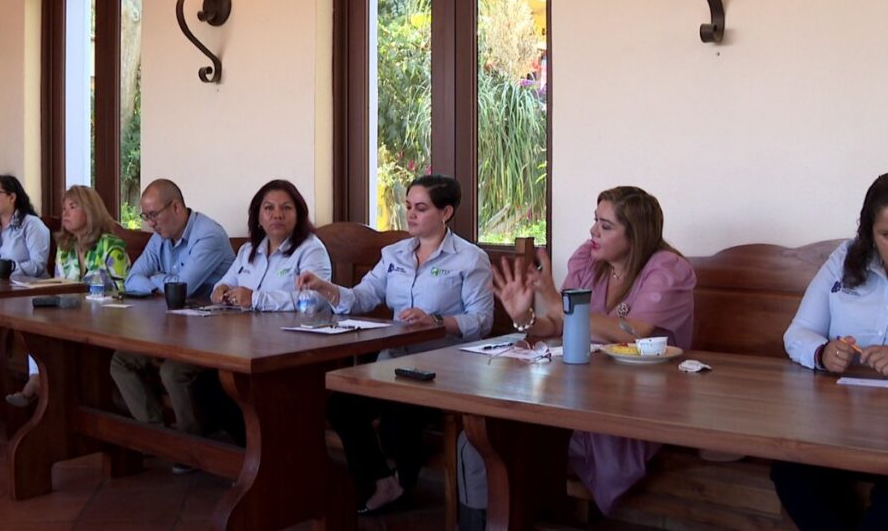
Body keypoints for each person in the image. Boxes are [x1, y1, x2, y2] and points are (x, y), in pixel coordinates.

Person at [467, 186, 695, 526]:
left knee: (533, 434)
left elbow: (632, 331)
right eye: (594, 221)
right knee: (502, 425)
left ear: (635, 234)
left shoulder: (667, 268)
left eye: (605, 226)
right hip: (583, 386)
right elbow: (557, 323)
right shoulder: (589, 261)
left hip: (644, 399)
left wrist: (561, 304)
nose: (593, 232)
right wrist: (524, 316)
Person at [296, 174, 494, 515]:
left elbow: (482, 320)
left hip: (442, 367)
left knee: (397, 418)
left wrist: (439, 321)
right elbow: (361, 297)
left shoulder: (469, 259)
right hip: (391, 362)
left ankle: (403, 484)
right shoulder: (394, 254)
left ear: (445, 212)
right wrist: (324, 287)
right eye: (408, 207)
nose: (411, 215)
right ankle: (381, 481)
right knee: (341, 406)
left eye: (421, 208)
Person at [773, 171, 888, 530]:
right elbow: (798, 332)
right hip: (841, 423)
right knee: (792, 472)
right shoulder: (845, 258)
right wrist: (822, 352)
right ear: (870, 234)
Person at [109, 179, 235, 474]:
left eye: (153, 215)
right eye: (146, 216)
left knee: (172, 371)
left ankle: (190, 447)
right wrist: (163, 282)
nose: (150, 223)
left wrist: (160, 282)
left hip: (214, 328)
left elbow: (183, 287)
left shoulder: (208, 235)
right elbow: (132, 279)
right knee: (121, 361)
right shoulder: (161, 236)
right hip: (169, 325)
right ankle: (156, 436)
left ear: (176, 207)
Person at [6, 185, 130, 407]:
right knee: (36, 327)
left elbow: (123, 291)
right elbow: (59, 284)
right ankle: (38, 384)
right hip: (71, 315)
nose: (65, 213)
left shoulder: (111, 246)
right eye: (64, 208)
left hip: (106, 320)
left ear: (90, 211)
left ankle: (48, 394)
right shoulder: (65, 247)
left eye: (72, 207)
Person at [210, 179, 331, 310]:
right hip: (248, 327)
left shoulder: (312, 249)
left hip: (295, 328)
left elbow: (314, 300)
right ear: (258, 217)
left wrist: (255, 299)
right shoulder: (247, 251)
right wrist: (220, 291)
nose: (278, 215)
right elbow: (226, 283)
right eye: (269, 208)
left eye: (286, 208)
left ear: (298, 215)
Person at [0, 174, 50, 277]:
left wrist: (10, 267)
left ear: (11, 198)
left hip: (30, 290)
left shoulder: (32, 225)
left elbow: (38, 265)